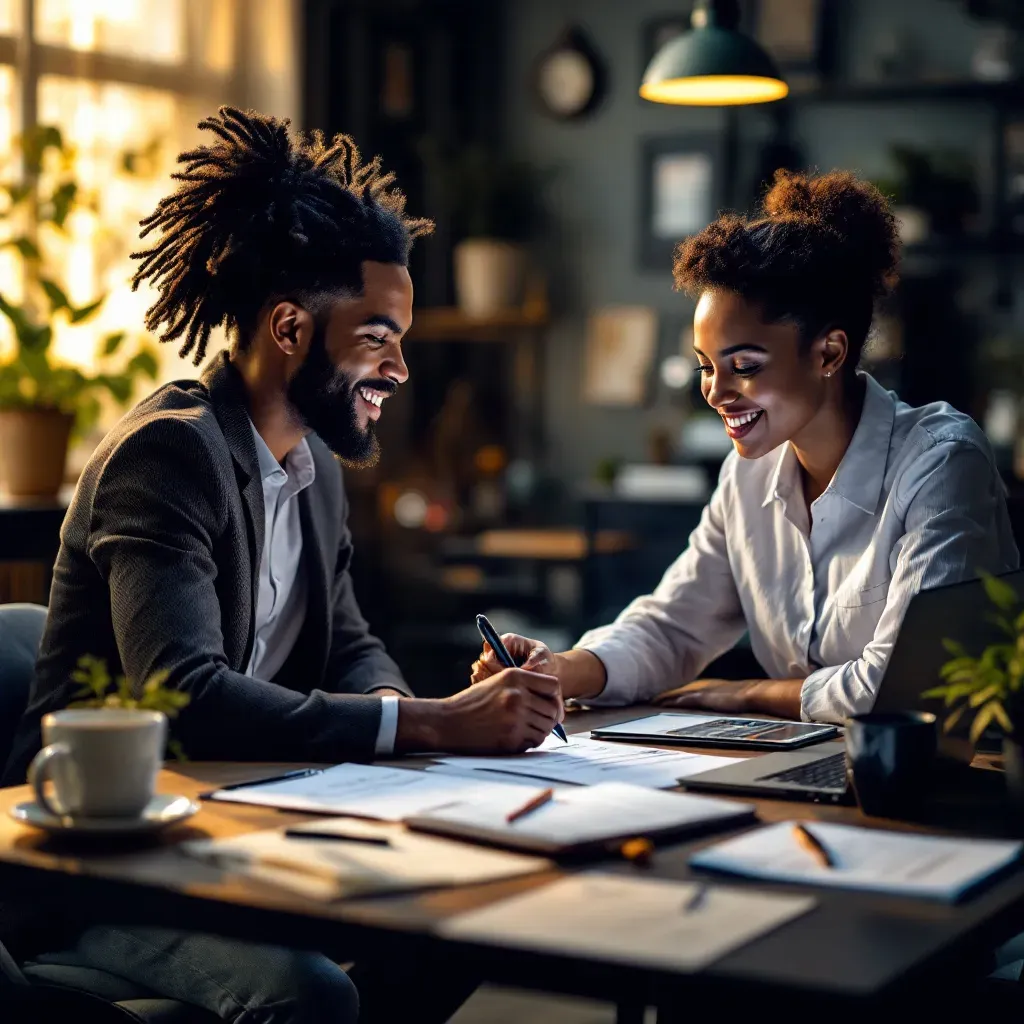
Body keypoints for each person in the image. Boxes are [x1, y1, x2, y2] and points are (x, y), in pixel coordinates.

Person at [1, 106, 559, 1023]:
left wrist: (418, 739)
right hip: (105, 866)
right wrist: (427, 724)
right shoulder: (169, 456)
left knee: (474, 920)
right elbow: (184, 693)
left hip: (245, 828)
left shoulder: (318, 471)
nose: (401, 369)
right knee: (312, 996)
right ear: (291, 328)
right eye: (379, 337)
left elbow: (348, 645)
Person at [472, 169, 1019, 724]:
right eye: (706, 367)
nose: (715, 391)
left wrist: (750, 694)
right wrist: (559, 669)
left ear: (829, 353)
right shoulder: (748, 476)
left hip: (939, 785)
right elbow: (673, 626)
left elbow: (908, 685)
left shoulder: (941, 464)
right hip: (803, 766)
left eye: (745, 367)